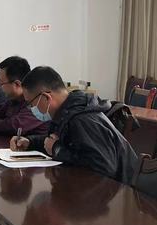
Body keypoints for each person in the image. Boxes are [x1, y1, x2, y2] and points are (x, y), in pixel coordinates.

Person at [11, 66, 139, 184]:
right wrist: (30, 142)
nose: (31, 109)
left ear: (46, 98)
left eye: (31, 104)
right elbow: (60, 141)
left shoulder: (82, 119)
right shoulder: (68, 110)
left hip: (122, 192)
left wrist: (57, 149)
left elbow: (103, 168)